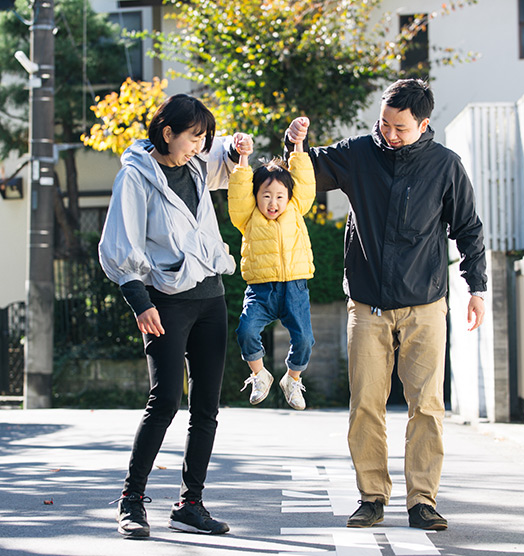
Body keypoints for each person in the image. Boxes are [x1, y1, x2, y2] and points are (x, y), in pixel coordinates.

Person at [285, 79, 487, 530]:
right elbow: (305, 173)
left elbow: (468, 229)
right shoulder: (359, 153)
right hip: (367, 303)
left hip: (426, 304)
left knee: (427, 406)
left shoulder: (445, 166)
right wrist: (294, 144)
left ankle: (423, 501)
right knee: (366, 405)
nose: (389, 134)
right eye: (384, 123)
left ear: (424, 123)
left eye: (399, 127)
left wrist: (477, 288)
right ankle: (372, 497)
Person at [98, 94, 253, 538]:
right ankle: (131, 501)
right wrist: (139, 301)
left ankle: (190, 504)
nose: (200, 145)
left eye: (204, 138)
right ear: (167, 133)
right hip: (165, 300)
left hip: (210, 297)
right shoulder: (135, 178)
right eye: (193, 136)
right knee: (165, 400)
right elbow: (119, 244)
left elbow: (227, 158)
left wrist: (236, 146)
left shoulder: (197, 166)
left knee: (207, 405)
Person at [228, 117, 316, 411]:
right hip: (261, 290)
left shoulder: (296, 208)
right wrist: (243, 158)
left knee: (304, 339)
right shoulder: (248, 216)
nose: (273, 202)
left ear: (289, 198)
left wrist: (298, 145)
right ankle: (259, 374)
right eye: (266, 196)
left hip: (295, 286)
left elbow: (303, 179)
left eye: (279, 196)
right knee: (246, 331)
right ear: (256, 197)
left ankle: (292, 379)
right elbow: (239, 193)